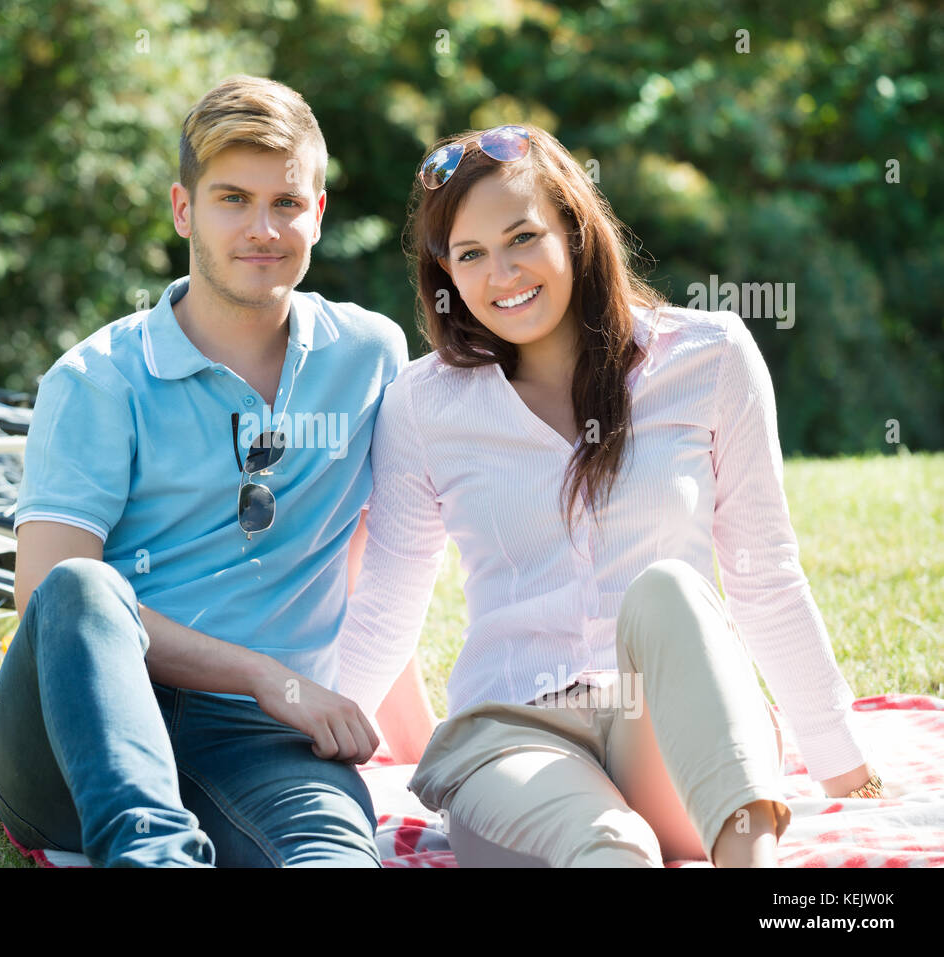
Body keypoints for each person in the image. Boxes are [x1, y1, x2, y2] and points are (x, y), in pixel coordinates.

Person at [334, 123, 884, 867]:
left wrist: (846, 769)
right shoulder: (424, 404)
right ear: (447, 274)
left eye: (523, 236)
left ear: (575, 230)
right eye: (470, 254)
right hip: (514, 737)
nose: (502, 274)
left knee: (670, 592)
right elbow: (387, 608)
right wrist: (306, 760)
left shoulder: (710, 356)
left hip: (674, 732)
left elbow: (766, 577)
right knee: (609, 843)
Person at [0, 74, 433, 867]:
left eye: (287, 203)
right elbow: (47, 598)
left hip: (269, 746)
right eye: (232, 198)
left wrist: (421, 756)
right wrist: (264, 674)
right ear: (184, 209)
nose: (263, 228)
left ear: (318, 215)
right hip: (75, 735)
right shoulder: (96, 380)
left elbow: (376, 565)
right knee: (84, 587)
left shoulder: (369, 357)